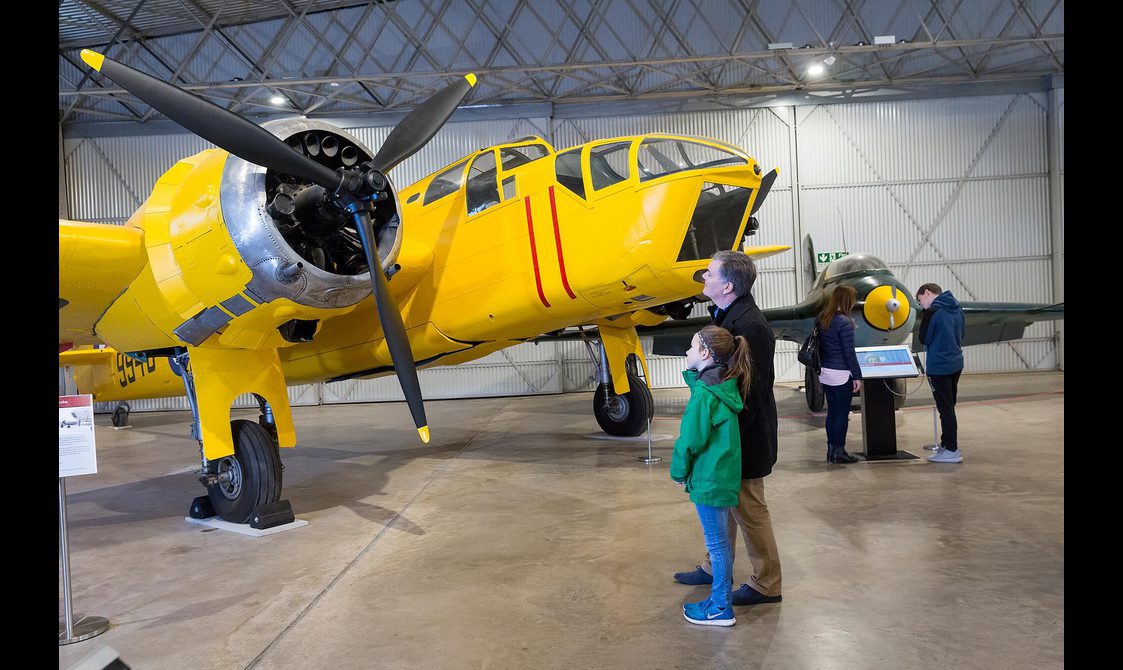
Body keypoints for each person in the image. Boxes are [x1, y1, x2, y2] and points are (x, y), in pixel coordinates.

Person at [673, 250, 782, 607]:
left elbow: (753, 392)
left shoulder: (751, 327)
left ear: (729, 285)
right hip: (729, 436)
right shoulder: (727, 315)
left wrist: (726, 440)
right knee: (723, 502)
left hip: (743, 439)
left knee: (750, 510)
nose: (703, 277)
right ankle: (713, 564)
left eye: (710, 273)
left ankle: (767, 583)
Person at [670, 325, 752, 627]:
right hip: (722, 475)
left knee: (717, 545)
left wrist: (678, 470)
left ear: (705, 353)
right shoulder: (720, 387)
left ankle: (720, 606)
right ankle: (719, 601)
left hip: (709, 477)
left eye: (692, 347)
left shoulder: (706, 394)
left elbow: (690, 438)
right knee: (720, 544)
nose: (687, 352)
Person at [916, 283, 966, 463]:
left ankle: (951, 449)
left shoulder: (932, 312)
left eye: (921, 300)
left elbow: (923, 338)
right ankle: (946, 445)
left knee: (945, 409)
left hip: (939, 367)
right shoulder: (957, 308)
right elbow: (962, 333)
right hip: (956, 363)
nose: (922, 305)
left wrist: (924, 317)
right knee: (949, 406)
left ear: (927, 293)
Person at [816, 285, 863, 464]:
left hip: (826, 372)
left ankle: (831, 450)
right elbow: (849, 353)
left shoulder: (822, 318)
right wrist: (857, 376)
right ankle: (840, 451)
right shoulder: (845, 322)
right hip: (842, 374)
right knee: (842, 414)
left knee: (832, 413)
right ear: (847, 301)